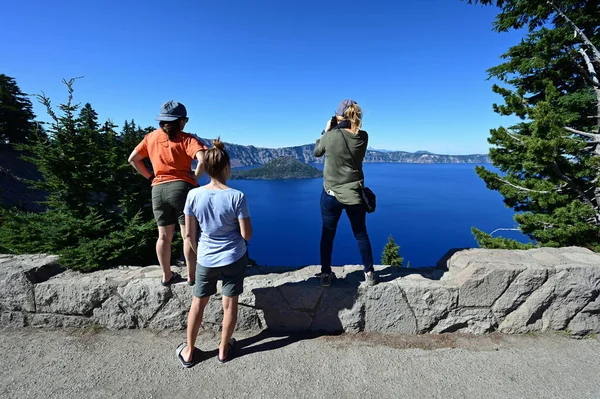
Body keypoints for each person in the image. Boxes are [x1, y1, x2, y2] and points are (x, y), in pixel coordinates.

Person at [176, 138, 252, 367]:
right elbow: (247, 235)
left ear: (207, 169)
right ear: (227, 167)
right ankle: (223, 349)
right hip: (233, 257)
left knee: (198, 303)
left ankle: (189, 351)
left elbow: (188, 236)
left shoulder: (193, 195)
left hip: (206, 258)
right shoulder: (237, 196)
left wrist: (202, 255)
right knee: (229, 304)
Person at [128, 101, 207, 286]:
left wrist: (150, 177)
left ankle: (166, 275)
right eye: (185, 120)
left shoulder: (151, 138)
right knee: (188, 235)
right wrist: (195, 177)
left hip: (158, 190)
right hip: (182, 189)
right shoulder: (187, 139)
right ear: (181, 121)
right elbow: (202, 159)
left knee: (163, 236)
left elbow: (133, 159)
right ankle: (192, 276)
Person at [314, 99, 377, 287]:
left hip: (331, 195)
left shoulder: (331, 136)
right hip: (354, 195)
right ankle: (370, 274)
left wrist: (326, 130)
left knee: (328, 235)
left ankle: (326, 274)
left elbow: (318, 152)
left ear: (339, 115)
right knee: (361, 234)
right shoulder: (363, 136)